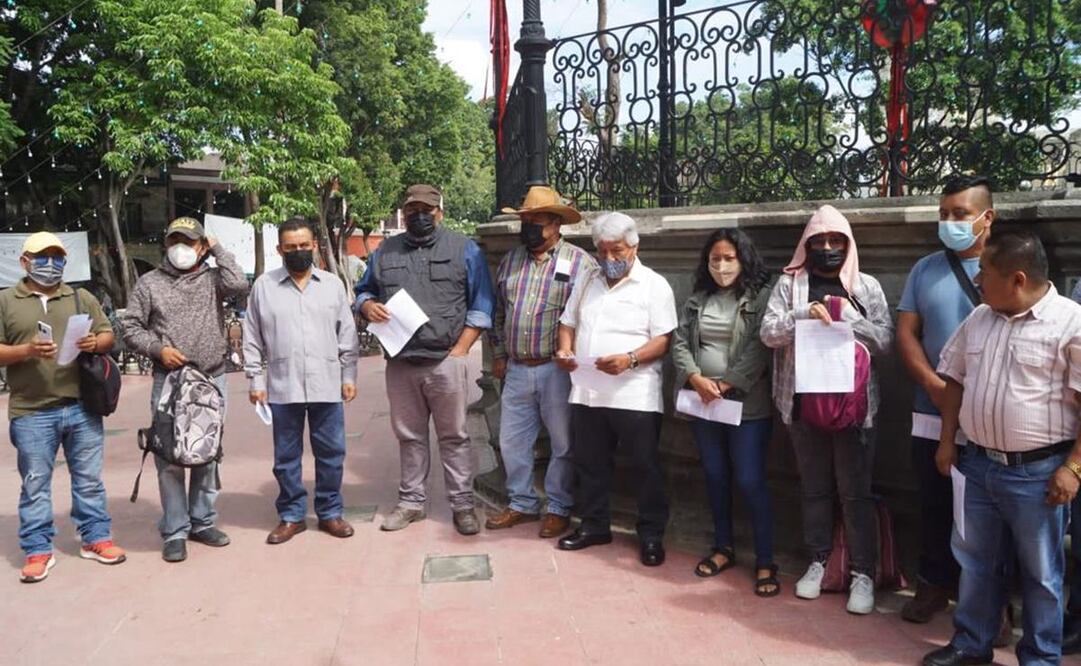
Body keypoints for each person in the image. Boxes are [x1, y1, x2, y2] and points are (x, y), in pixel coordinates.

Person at [922, 231, 1081, 666]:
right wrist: (947, 440)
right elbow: (954, 378)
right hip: (978, 466)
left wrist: (1074, 468)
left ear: (1017, 278)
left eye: (985, 275)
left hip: (1039, 474)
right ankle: (971, 643)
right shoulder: (979, 318)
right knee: (974, 562)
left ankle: (1040, 657)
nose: (977, 283)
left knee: (1041, 574)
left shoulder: (1071, 323)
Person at [760, 204, 893, 614]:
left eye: (836, 241)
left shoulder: (864, 286)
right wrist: (803, 316)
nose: (828, 248)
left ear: (848, 244)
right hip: (802, 407)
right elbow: (767, 333)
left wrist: (850, 320)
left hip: (854, 410)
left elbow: (885, 341)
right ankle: (818, 561)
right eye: (819, 242)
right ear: (807, 245)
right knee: (814, 488)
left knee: (855, 493)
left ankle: (863, 573)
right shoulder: (790, 285)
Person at [355, 184, 495, 536]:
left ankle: (463, 505)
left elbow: (481, 303)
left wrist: (462, 349)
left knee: (455, 436)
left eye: (427, 210)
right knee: (409, 436)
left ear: (440, 213)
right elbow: (364, 290)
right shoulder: (384, 251)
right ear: (403, 214)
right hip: (401, 364)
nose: (420, 216)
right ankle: (411, 503)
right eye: (412, 210)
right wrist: (367, 305)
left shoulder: (465, 250)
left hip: (445, 361)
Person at [896, 175, 995, 622]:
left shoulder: (1008, 267)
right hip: (929, 409)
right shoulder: (925, 269)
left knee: (989, 513)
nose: (950, 222)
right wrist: (934, 386)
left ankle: (992, 603)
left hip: (989, 417)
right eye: (944, 214)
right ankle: (933, 584)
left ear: (986, 218)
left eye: (961, 214)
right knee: (933, 503)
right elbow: (906, 334)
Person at [121, 216, 249, 563]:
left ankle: (202, 521)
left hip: (211, 378)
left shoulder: (212, 280)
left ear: (201, 247)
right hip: (170, 380)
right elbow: (130, 326)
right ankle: (175, 528)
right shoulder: (149, 284)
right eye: (175, 240)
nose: (181, 248)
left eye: (190, 242)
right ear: (166, 244)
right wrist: (156, 349)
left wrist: (218, 248)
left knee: (207, 451)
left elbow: (239, 285)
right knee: (170, 455)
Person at [1, 232, 126, 582]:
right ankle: (38, 549)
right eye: (43, 257)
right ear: (24, 261)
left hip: (81, 406)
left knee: (88, 480)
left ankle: (96, 539)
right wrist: (25, 351)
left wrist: (94, 343)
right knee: (36, 482)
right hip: (31, 410)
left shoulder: (79, 296)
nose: (51, 264)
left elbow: (108, 335)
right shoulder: (6, 301)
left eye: (57, 257)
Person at [554, 211, 677, 566]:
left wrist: (630, 359)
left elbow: (664, 340)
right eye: (602, 251)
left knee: (644, 467)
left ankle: (651, 535)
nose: (608, 259)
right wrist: (565, 349)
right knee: (590, 463)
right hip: (588, 389)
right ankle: (594, 525)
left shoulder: (654, 285)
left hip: (634, 392)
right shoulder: (587, 281)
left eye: (617, 251)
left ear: (634, 247)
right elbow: (568, 323)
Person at [671, 228, 778, 596]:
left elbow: (760, 346)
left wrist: (728, 383)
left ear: (743, 259)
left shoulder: (761, 297)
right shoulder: (697, 298)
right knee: (715, 475)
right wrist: (696, 378)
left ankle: (765, 559)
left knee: (749, 479)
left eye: (728, 258)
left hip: (746, 405)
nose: (721, 266)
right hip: (703, 402)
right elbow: (680, 341)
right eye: (714, 259)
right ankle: (723, 547)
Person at [485, 186, 593, 539]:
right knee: (513, 441)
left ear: (557, 224)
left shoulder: (580, 263)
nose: (529, 227)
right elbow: (499, 311)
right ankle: (521, 503)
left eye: (537, 221)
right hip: (516, 369)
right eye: (526, 220)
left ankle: (559, 507)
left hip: (556, 370)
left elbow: (590, 316)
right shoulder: (511, 260)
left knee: (564, 443)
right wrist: (499, 354)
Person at [243, 217, 358, 545]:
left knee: (332, 453)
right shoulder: (264, 287)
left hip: (327, 383)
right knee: (286, 457)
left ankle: (330, 512)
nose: (298, 252)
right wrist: (255, 380)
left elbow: (347, 335)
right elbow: (251, 336)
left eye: (303, 246)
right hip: (282, 385)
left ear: (314, 246)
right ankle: (292, 515)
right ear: (280, 249)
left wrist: (348, 375)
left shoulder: (332, 285)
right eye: (291, 247)